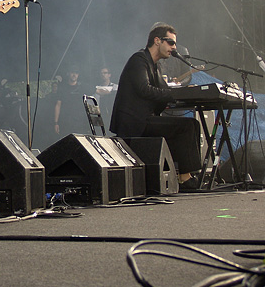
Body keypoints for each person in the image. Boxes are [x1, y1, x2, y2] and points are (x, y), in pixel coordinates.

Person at [109, 23, 202, 190]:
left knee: (193, 124)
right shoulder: (139, 60)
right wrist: (176, 94)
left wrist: (185, 92)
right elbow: (144, 89)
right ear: (157, 40)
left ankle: (185, 174)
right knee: (187, 126)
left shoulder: (154, 65)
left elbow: (165, 91)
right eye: (171, 42)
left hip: (144, 120)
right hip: (134, 123)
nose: (174, 47)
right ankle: (185, 178)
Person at [54, 66, 89, 136]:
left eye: (76, 73)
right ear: (68, 73)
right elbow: (58, 105)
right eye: (72, 72)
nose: (74, 75)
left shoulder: (82, 88)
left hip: (80, 121)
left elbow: (98, 91)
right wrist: (56, 123)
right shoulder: (62, 88)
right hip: (65, 121)